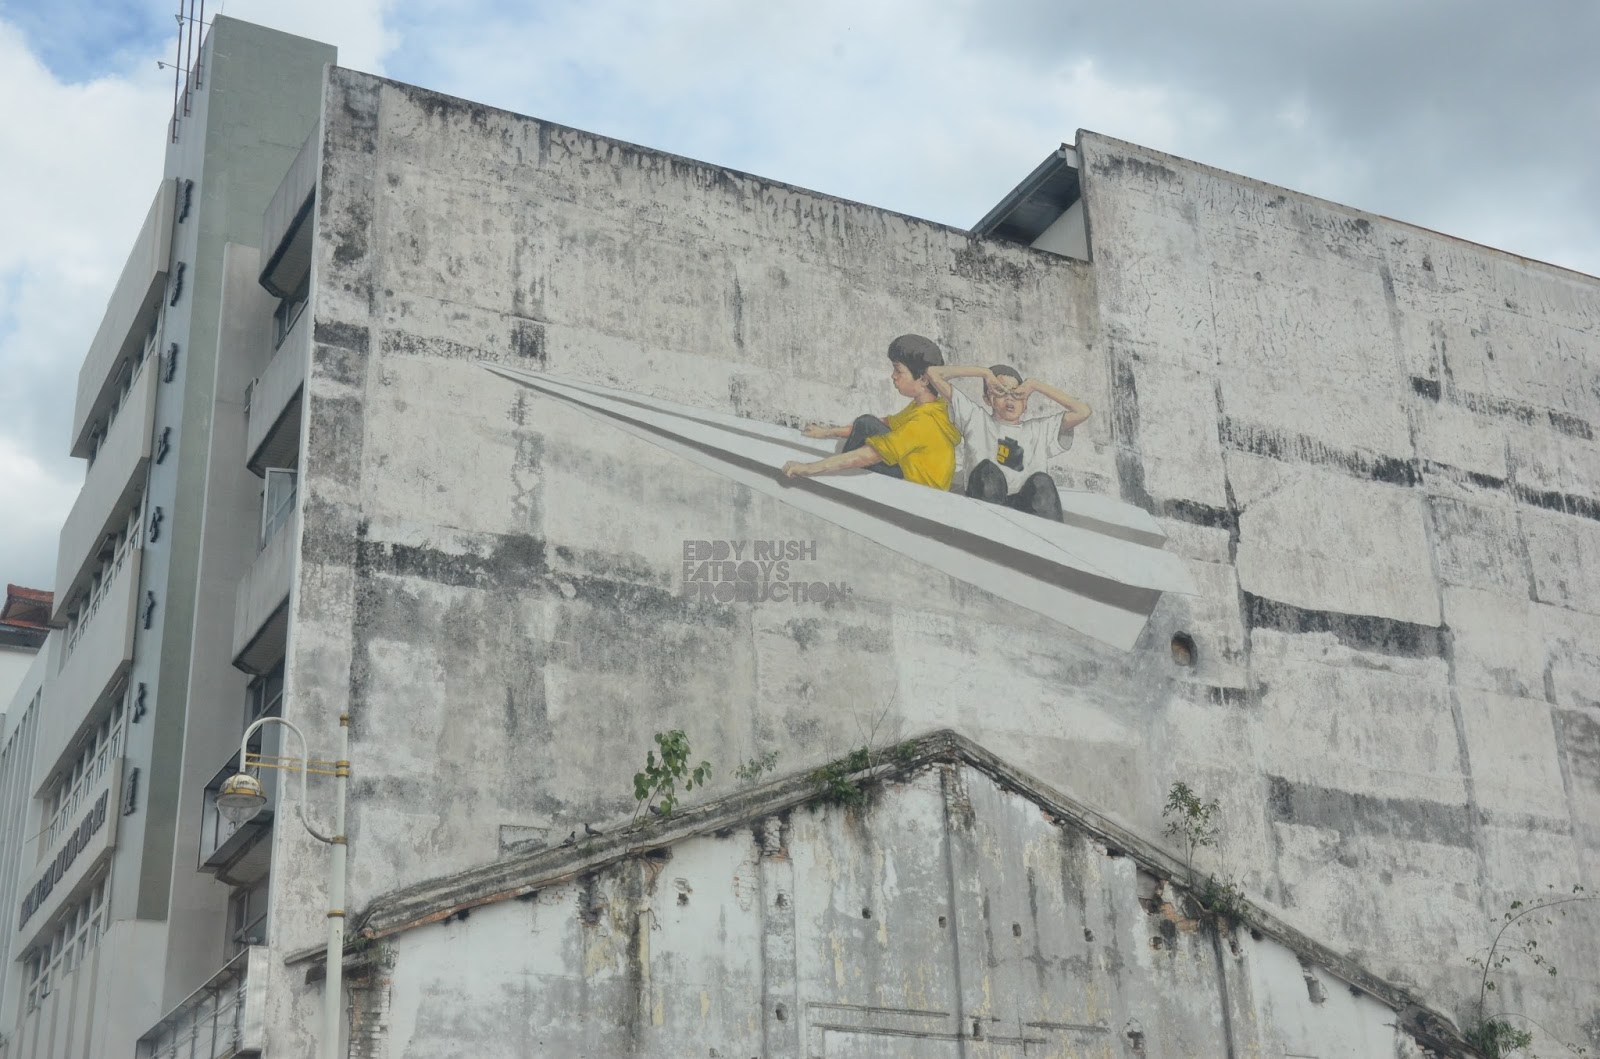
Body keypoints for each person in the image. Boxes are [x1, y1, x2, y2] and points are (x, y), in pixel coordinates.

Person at [782, 334, 960, 490]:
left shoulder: (924, 422)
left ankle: (837, 483)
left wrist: (808, 468)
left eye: (898, 370)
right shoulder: (929, 406)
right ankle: (838, 472)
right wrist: (827, 432)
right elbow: (882, 424)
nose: (893, 376)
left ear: (922, 379)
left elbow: (869, 456)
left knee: (864, 442)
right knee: (866, 423)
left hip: (917, 492)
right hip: (913, 475)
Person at [926, 362, 1091, 521]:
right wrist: (985, 373)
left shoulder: (1039, 430)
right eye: (1000, 392)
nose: (1009, 399)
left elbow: (1082, 411)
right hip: (986, 508)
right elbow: (934, 373)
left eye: (1016, 393)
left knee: (1042, 482)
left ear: (1025, 402)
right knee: (988, 472)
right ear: (988, 399)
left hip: (1025, 510)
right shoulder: (976, 418)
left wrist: (1035, 385)